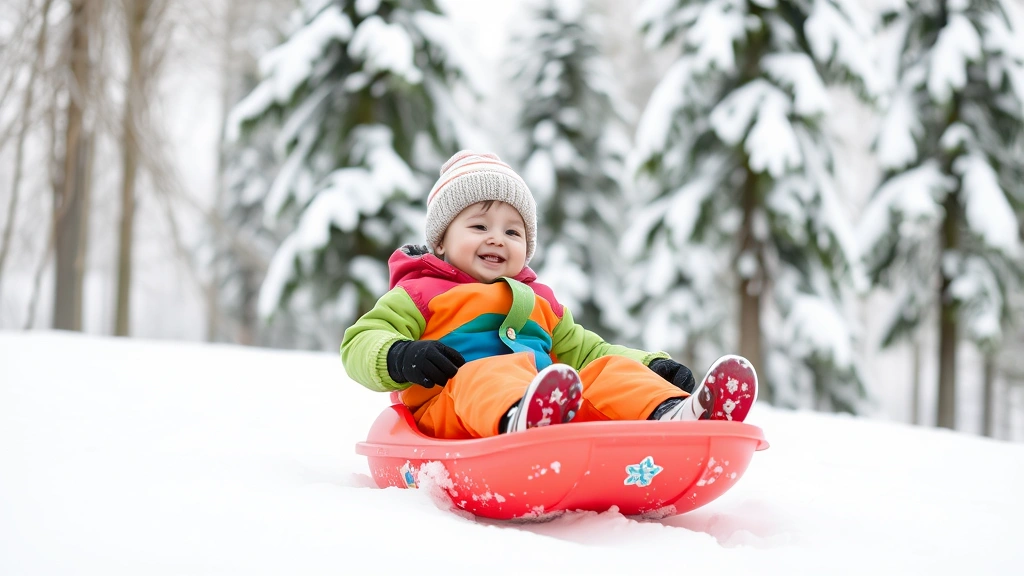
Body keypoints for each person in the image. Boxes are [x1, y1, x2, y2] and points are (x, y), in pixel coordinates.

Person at [341, 151, 756, 439]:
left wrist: (651, 366)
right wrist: (401, 356)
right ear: (442, 242)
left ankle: (673, 415)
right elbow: (360, 341)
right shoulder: (419, 293)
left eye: (512, 231)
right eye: (479, 226)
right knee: (485, 372)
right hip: (452, 409)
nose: (497, 240)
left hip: (550, 401)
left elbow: (589, 352)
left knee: (606, 372)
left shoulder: (538, 301)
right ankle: (521, 420)